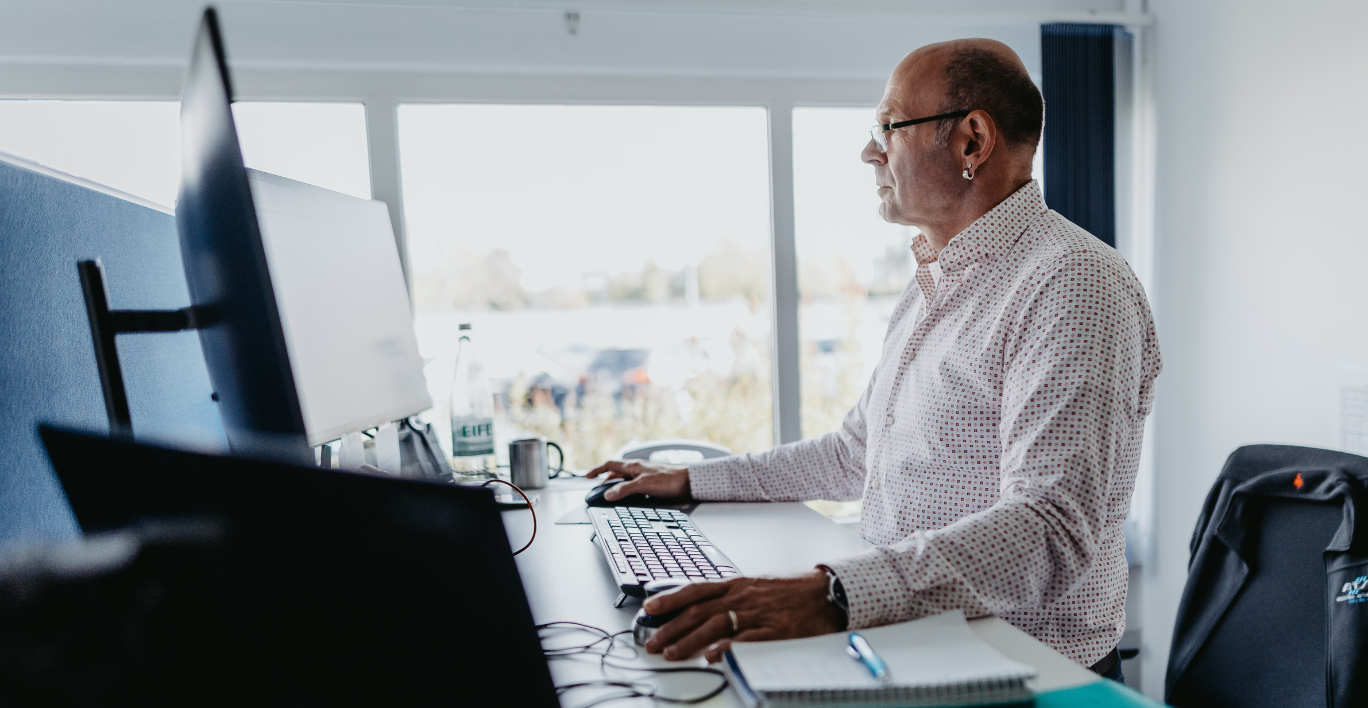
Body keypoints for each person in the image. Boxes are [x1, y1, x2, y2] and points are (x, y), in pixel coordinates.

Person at [587, 38, 1161, 683]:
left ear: (973, 142)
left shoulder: (1073, 283)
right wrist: (689, 481)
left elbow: (1051, 528)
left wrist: (830, 594)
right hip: (920, 651)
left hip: (1027, 677)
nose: (869, 151)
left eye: (888, 127)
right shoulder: (933, 283)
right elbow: (855, 452)